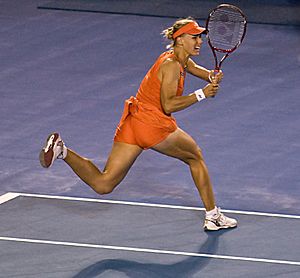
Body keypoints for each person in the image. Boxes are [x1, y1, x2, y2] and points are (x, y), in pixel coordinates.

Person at [39, 18, 237, 231]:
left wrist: (209, 75)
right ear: (179, 40)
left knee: (104, 184)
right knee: (195, 157)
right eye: (194, 37)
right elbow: (168, 104)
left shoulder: (176, 57)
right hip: (153, 124)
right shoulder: (171, 66)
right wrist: (202, 94)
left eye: (200, 37)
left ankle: (63, 151)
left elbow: (191, 66)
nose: (199, 41)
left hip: (133, 123)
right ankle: (213, 216)